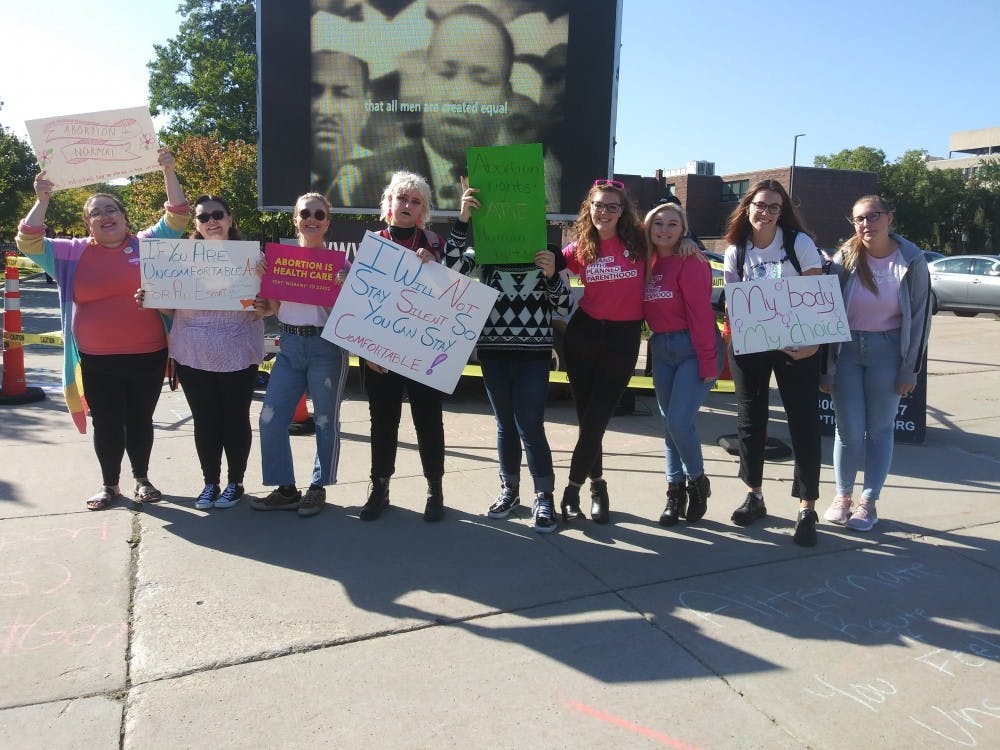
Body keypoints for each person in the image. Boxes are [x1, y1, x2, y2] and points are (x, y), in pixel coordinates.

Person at [15, 149, 189, 510]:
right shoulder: (70, 253)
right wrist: (42, 199)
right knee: (107, 424)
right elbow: (28, 239)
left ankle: (142, 479)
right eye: (96, 212)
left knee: (140, 420)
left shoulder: (148, 245)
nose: (105, 216)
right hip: (96, 359)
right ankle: (110, 485)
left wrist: (168, 171)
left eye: (111, 209)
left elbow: (177, 216)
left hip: (149, 354)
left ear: (124, 217)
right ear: (87, 223)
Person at [358, 170, 477, 523]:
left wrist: (436, 267)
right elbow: (360, 303)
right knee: (382, 423)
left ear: (423, 209)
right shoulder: (374, 242)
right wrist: (364, 351)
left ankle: (434, 490)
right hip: (379, 355)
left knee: (429, 422)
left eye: (416, 201)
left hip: (424, 353)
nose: (407, 205)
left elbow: (454, 284)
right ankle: (379, 488)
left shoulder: (435, 243)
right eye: (402, 198)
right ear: (389, 203)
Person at [722, 179, 825, 546]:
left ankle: (806, 506)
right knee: (751, 422)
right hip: (752, 344)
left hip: (797, 345)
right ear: (746, 206)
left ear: (783, 212)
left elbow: (816, 295)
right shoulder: (736, 249)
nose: (765, 212)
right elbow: (734, 299)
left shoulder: (799, 244)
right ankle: (755, 495)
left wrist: (813, 343)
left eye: (773, 207)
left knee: (803, 422)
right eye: (760, 205)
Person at [820, 196, 931, 532]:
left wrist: (909, 369)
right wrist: (826, 366)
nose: (867, 224)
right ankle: (843, 496)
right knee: (848, 429)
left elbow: (921, 318)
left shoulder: (911, 259)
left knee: (880, 429)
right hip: (847, 349)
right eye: (859, 219)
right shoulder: (845, 257)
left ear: (889, 218)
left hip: (888, 349)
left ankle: (868, 501)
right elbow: (826, 311)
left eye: (873, 216)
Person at [148, 196, 266, 510]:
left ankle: (235, 483)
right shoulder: (178, 260)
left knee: (235, 419)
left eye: (217, 215)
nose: (211, 221)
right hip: (193, 352)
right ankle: (210, 482)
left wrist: (263, 303)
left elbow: (266, 307)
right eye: (203, 217)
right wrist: (152, 296)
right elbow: (170, 308)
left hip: (238, 349)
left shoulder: (254, 259)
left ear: (230, 218)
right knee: (205, 420)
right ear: (196, 225)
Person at [345, 4, 514, 209]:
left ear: (507, 98)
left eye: (482, 79)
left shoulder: (523, 188)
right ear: (425, 79)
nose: (459, 97)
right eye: (445, 73)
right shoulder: (359, 185)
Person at [252, 192, 349, 517]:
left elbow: (350, 317)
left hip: (326, 347)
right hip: (290, 344)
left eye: (319, 214)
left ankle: (318, 488)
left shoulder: (341, 266)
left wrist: (344, 287)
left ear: (327, 222)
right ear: (295, 219)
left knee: (324, 420)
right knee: (270, 418)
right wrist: (264, 277)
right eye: (305, 213)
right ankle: (286, 489)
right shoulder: (279, 261)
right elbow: (273, 309)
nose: (312, 218)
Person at [558, 179, 648, 525]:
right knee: (586, 418)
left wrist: (686, 244)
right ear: (589, 208)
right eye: (599, 205)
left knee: (598, 418)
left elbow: (671, 238)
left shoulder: (639, 242)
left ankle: (573, 490)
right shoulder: (583, 245)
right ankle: (597, 484)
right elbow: (550, 263)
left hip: (623, 338)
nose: (605, 212)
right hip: (583, 335)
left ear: (623, 211)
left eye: (612, 206)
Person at [477, 241, 572, 533]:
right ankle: (510, 490)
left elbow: (565, 306)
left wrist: (553, 274)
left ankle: (544, 496)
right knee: (504, 424)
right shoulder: (485, 248)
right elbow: (451, 266)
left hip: (534, 355)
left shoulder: (548, 252)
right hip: (493, 352)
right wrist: (463, 220)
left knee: (531, 427)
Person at [642, 202, 720, 526]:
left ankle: (698, 481)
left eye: (672, 224)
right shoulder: (646, 261)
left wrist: (708, 361)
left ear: (683, 229)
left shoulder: (692, 260)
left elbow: (702, 314)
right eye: (658, 223)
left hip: (691, 345)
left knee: (678, 422)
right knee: (669, 425)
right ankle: (674, 491)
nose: (665, 229)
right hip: (660, 346)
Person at [309, 10, 373, 204]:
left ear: (366, 106)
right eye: (315, 92)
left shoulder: (383, 176)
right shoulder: (281, 170)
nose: (326, 110)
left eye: (342, 94)